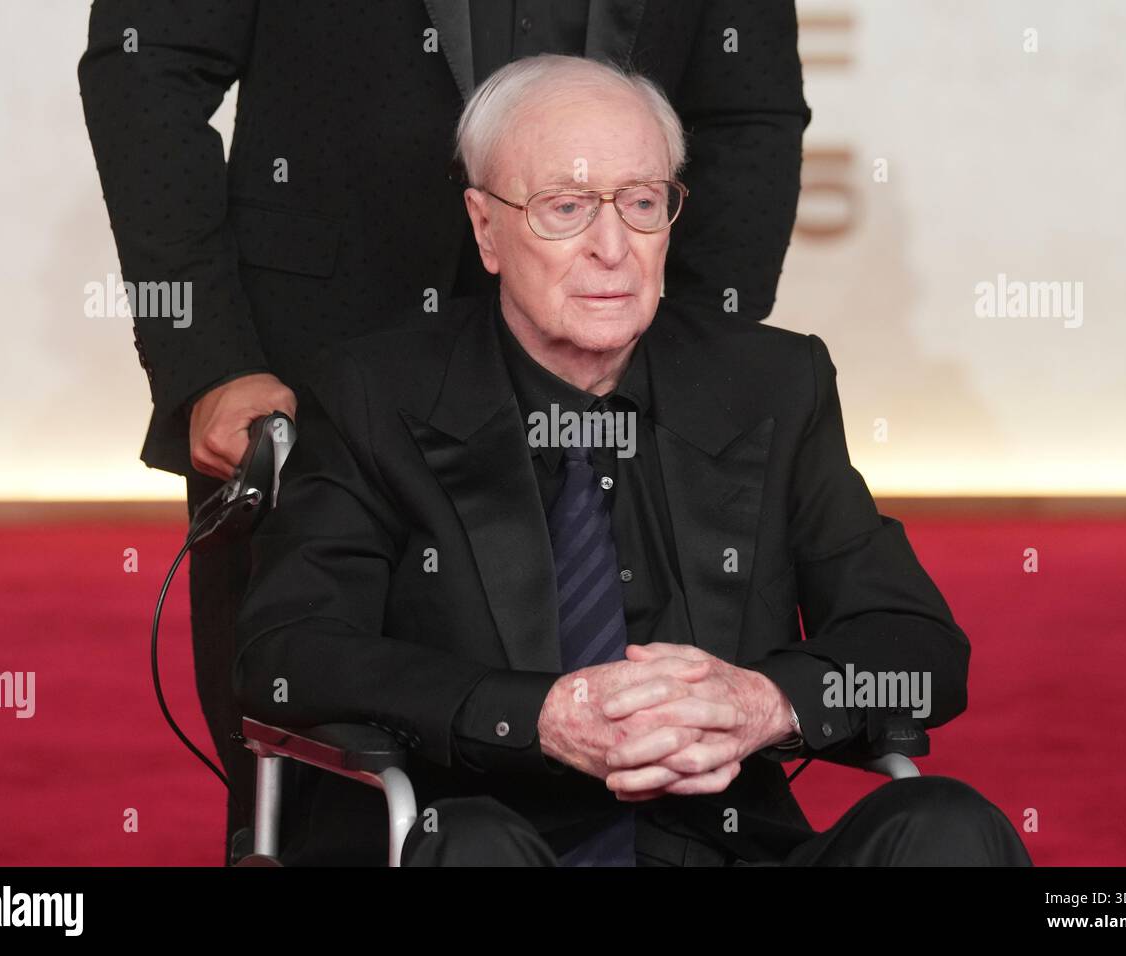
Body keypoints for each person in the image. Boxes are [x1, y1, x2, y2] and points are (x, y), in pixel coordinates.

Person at [232, 54, 1032, 867]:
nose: (612, 247)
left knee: (946, 826)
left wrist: (765, 701)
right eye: (566, 207)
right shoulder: (375, 392)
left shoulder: (770, 384)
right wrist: (536, 715)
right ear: (485, 228)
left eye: (642, 203)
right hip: (486, 836)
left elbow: (917, 646)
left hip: (722, 844)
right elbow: (289, 653)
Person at [77, 0, 811, 863]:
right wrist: (209, 358)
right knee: (310, 748)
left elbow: (748, 106)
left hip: (616, 366)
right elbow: (149, 62)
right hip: (316, 353)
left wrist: (685, 357)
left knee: (651, 768)